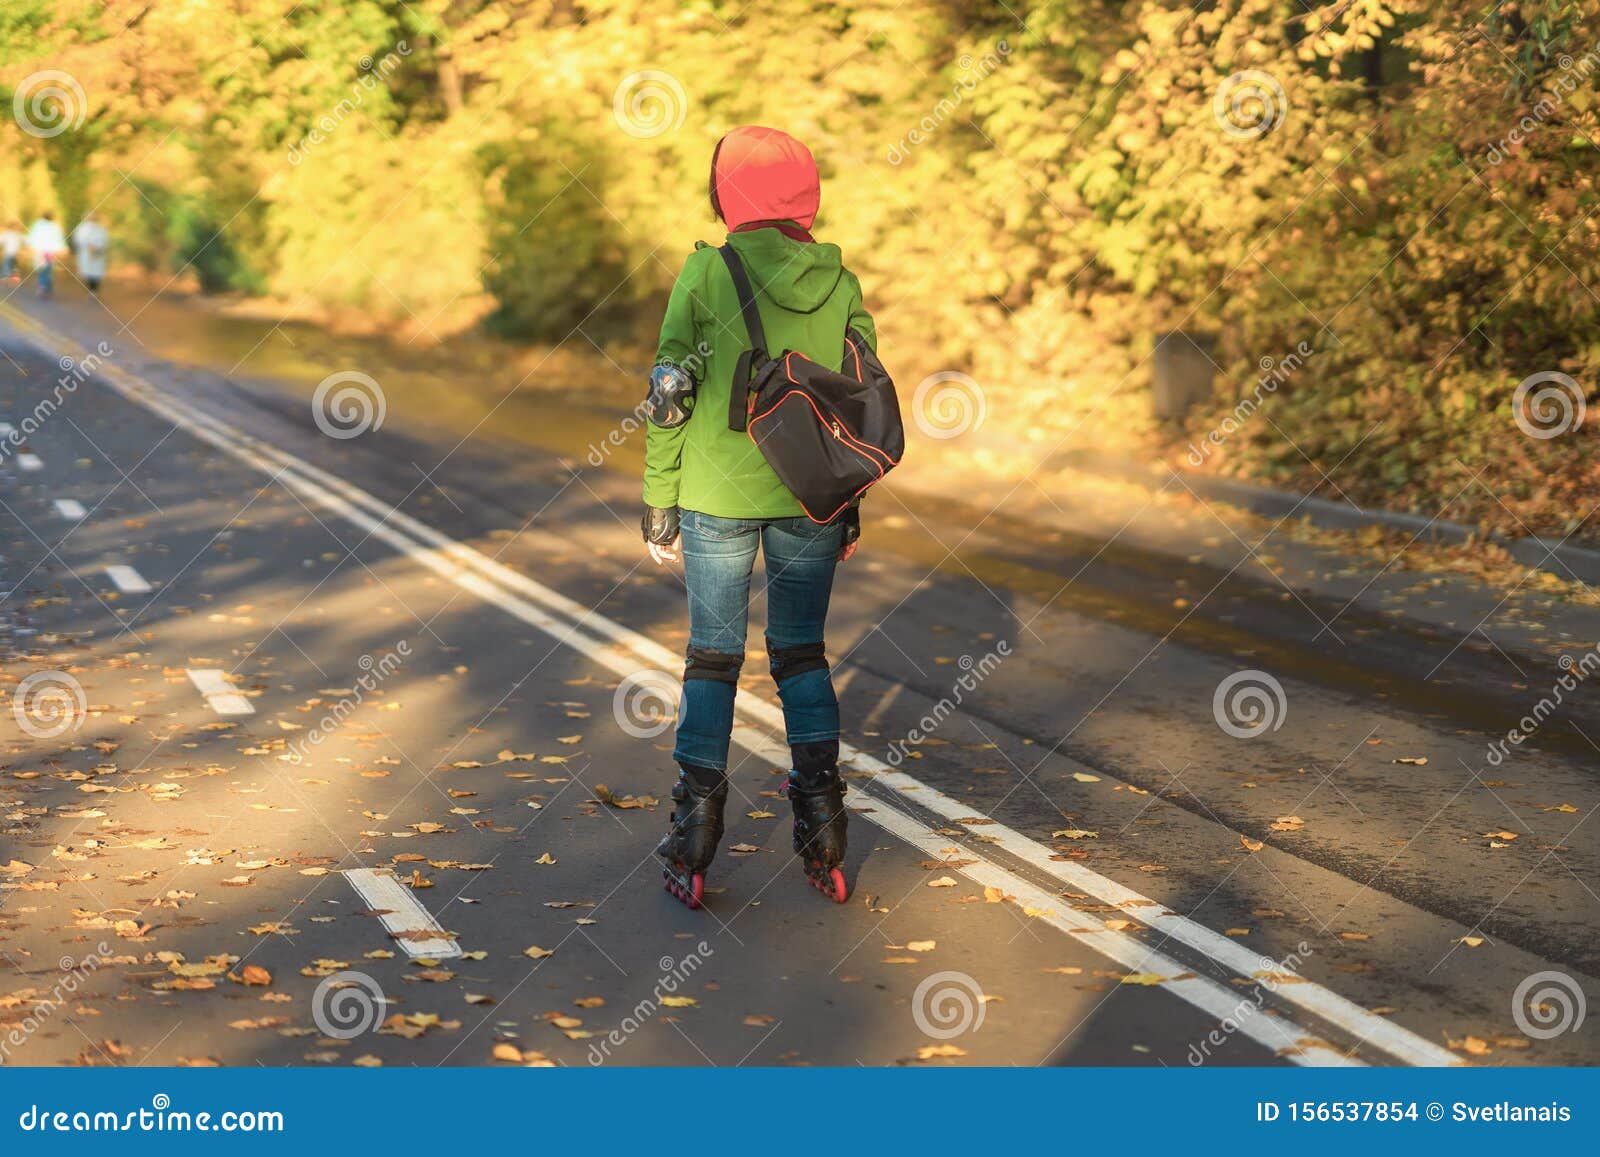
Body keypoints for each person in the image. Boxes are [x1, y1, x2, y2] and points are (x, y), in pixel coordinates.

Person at [642, 125, 877, 908]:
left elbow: (671, 393)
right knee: (801, 656)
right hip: (810, 495)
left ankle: (695, 838)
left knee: (713, 659)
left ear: (728, 192)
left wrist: (659, 498)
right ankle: (824, 833)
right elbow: (858, 404)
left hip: (716, 496)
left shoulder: (708, 272)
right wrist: (846, 506)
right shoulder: (838, 282)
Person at [25, 212, 66, 298]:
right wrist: (61, 249)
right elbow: (59, 239)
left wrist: (30, 247)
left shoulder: (37, 225)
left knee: (41, 269)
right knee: (48, 269)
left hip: (39, 250)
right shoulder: (55, 226)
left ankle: (42, 286)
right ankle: (46, 287)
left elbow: (31, 237)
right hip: (50, 251)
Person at [71, 211, 109, 294]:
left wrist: (96, 247)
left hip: (95, 253)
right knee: (91, 271)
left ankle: (93, 289)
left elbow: (78, 241)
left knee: (93, 271)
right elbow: (78, 241)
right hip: (88, 253)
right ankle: (93, 289)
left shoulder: (99, 228)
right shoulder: (84, 229)